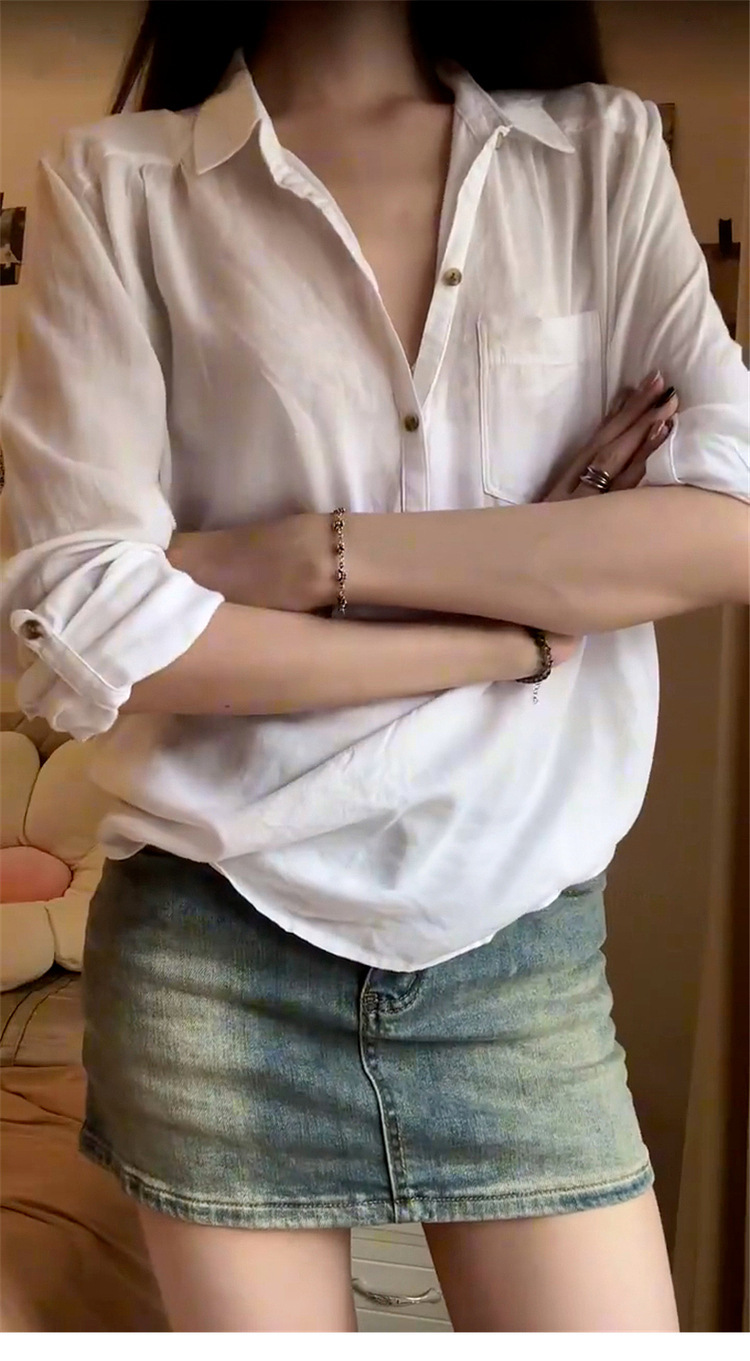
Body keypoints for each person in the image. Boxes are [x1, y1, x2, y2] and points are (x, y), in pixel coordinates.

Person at [1, 0, 747, 1334]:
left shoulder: (598, 150)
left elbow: (725, 524)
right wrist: (504, 634)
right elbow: (84, 620)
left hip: (515, 950)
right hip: (215, 950)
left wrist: (306, 554)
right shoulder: (118, 182)